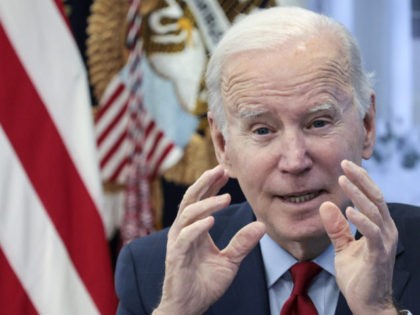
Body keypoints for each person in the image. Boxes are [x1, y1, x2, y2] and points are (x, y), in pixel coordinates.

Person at [115, 6, 420, 315]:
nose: (295, 160)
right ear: (222, 144)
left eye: (318, 123)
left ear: (367, 125)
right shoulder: (152, 270)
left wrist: (378, 310)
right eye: (262, 130)